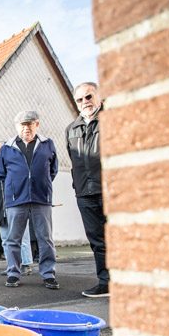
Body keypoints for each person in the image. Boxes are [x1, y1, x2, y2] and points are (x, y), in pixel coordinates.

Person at [0, 111, 59, 289]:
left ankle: (48, 274)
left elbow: (52, 171)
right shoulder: (7, 148)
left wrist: (41, 185)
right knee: (13, 239)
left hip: (41, 198)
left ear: (37, 125)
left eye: (30, 124)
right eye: (22, 125)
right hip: (16, 200)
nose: (26, 128)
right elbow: (3, 175)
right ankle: (13, 273)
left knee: (45, 238)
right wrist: (16, 188)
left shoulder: (48, 144)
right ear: (17, 127)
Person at [67, 82, 109, 298]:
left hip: (109, 188)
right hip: (85, 192)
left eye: (89, 97)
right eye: (80, 99)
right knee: (97, 239)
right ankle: (105, 282)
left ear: (98, 96)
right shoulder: (71, 129)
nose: (85, 102)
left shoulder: (112, 118)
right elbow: (74, 161)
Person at [0, 142, 33, 273]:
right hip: (0, 210)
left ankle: (26, 264)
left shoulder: (14, 165)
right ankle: (12, 266)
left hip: (16, 206)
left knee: (22, 238)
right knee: (5, 240)